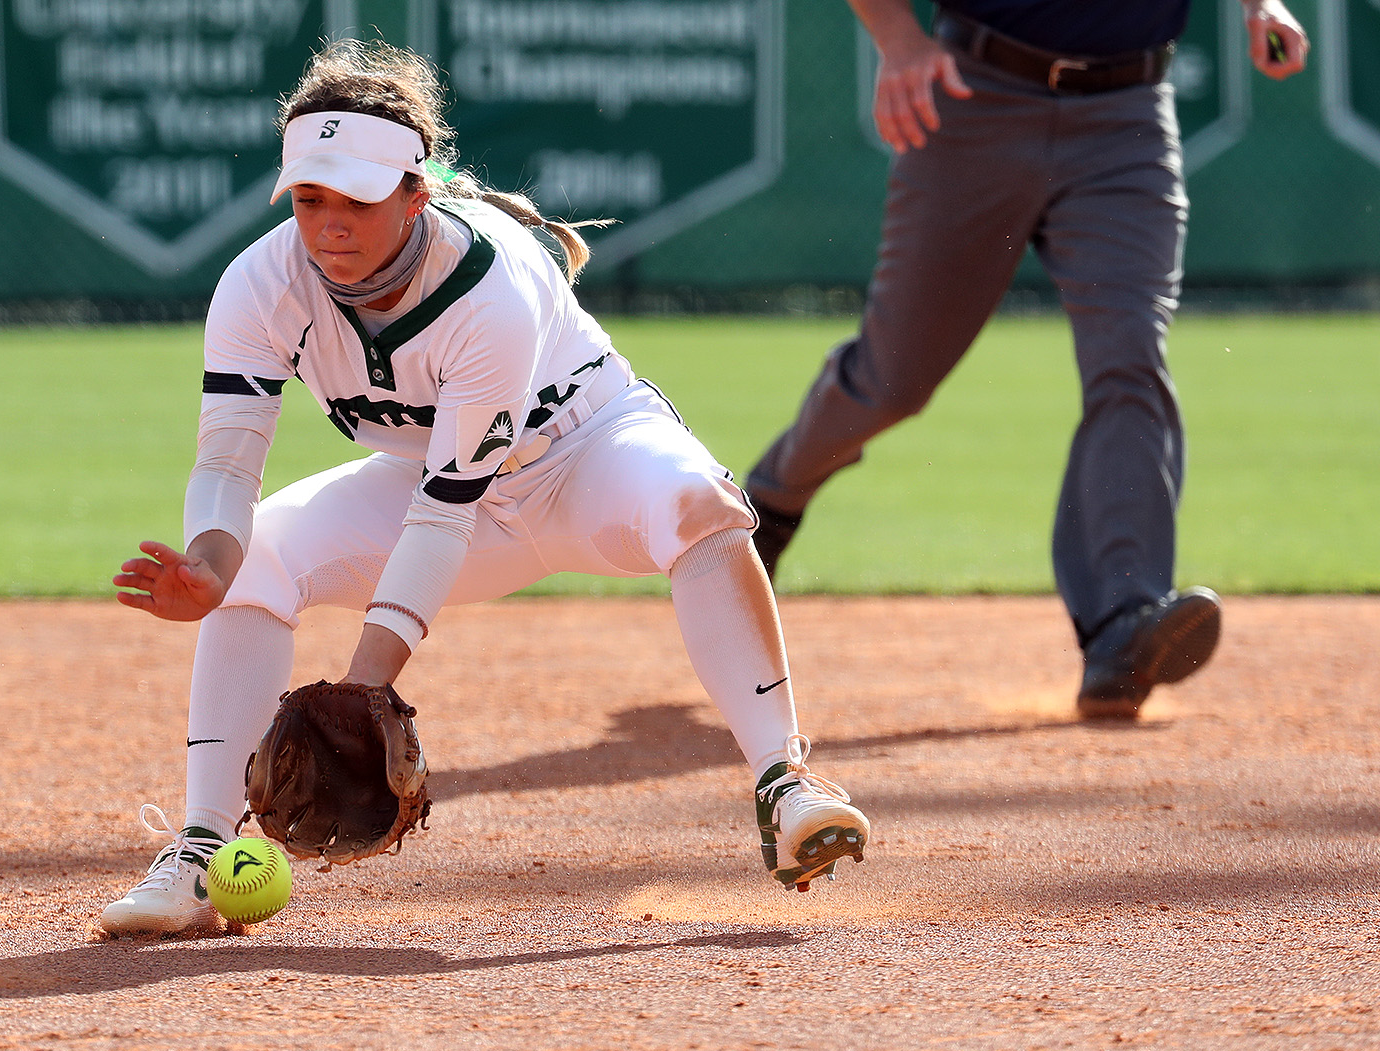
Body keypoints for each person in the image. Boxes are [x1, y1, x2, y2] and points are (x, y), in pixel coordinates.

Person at [101, 40, 869, 935]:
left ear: (416, 193)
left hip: (587, 458)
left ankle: (786, 785)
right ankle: (199, 856)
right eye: (310, 198)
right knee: (258, 560)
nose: (330, 224)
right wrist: (209, 561)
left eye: (357, 198)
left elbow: (443, 513)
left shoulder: (488, 282)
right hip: (440, 486)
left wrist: (366, 688)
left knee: (698, 503)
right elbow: (230, 460)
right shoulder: (260, 285)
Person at [744, 0, 1309, 719]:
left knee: (1130, 354)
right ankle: (772, 500)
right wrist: (899, 38)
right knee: (893, 380)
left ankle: (1121, 626)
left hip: (1127, 118)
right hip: (977, 95)